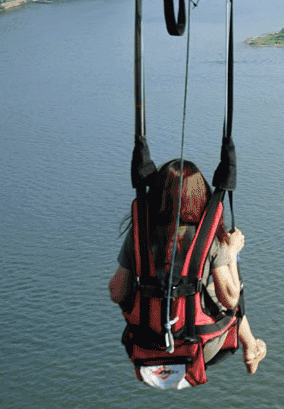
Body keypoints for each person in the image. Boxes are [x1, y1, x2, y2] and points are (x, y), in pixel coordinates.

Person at [109, 158, 266, 377]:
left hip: (146, 341)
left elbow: (117, 292)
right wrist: (230, 254)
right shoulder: (208, 237)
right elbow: (230, 299)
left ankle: (252, 347)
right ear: (201, 195)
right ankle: (251, 346)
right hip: (199, 345)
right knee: (217, 292)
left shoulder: (140, 233)